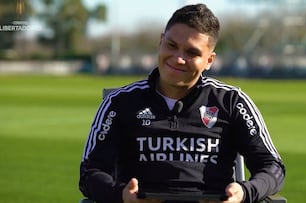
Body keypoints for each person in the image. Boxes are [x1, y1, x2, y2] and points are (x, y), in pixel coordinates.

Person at [79, 3, 285, 203]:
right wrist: (121, 195)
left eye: (192, 52)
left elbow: (272, 167)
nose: (178, 58)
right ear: (161, 42)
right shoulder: (120, 102)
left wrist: (243, 192)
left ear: (209, 60)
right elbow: (90, 173)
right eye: (172, 46)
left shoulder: (231, 101)